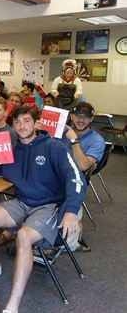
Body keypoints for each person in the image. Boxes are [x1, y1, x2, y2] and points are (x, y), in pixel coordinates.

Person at [0, 106, 85, 313]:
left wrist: (71, 210)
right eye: (18, 122)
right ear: (12, 125)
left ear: (36, 123)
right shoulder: (10, 150)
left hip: (49, 206)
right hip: (22, 203)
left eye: (27, 121)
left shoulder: (54, 147)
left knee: (23, 236)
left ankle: (12, 306)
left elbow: (77, 178)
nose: (22, 126)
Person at [60, 102, 104, 252]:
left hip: (74, 182)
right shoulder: (61, 131)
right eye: (78, 116)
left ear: (91, 119)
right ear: (71, 116)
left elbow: (83, 165)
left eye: (85, 117)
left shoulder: (97, 140)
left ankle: (72, 238)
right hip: (53, 176)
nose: (81, 120)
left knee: (68, 246)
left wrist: (74, 140)